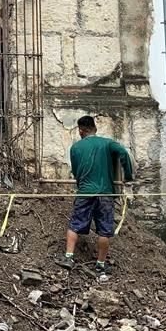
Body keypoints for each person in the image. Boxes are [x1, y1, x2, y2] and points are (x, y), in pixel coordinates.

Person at [55, 115, 134, 275]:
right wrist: (128, 177)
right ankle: (100, 264)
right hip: (105, 193)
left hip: (85, 192)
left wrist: (82, 184)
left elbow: (77, 172)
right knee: (104, 230)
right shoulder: (107, 143)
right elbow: (124, 154)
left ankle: (69, 258)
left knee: (75, 224)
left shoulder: (75, 148)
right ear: (95, 129)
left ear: (81, 130)